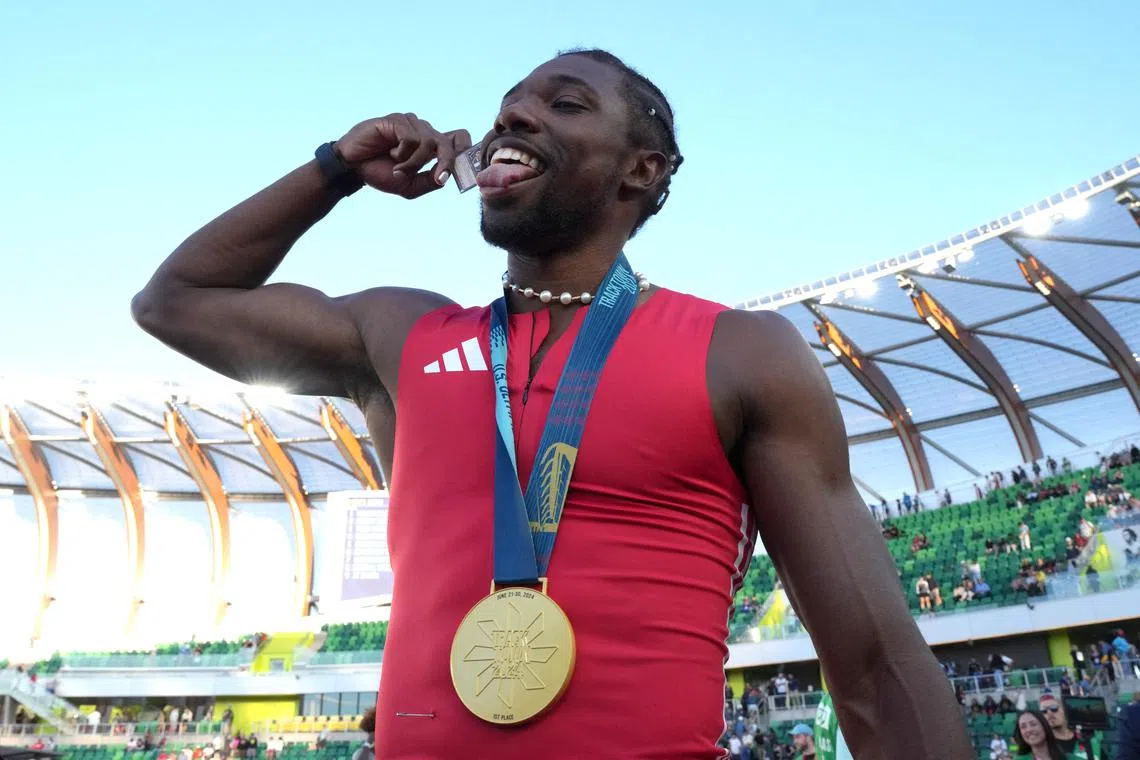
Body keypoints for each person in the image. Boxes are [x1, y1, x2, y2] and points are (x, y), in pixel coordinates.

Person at [132, 49, 971, 759]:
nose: (515, 120)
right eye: (507, 110)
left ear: (643, 170)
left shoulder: (737, 354)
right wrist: (335, 171)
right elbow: (175, 301)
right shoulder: (401, 336)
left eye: (563, 105)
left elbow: (874, 663)